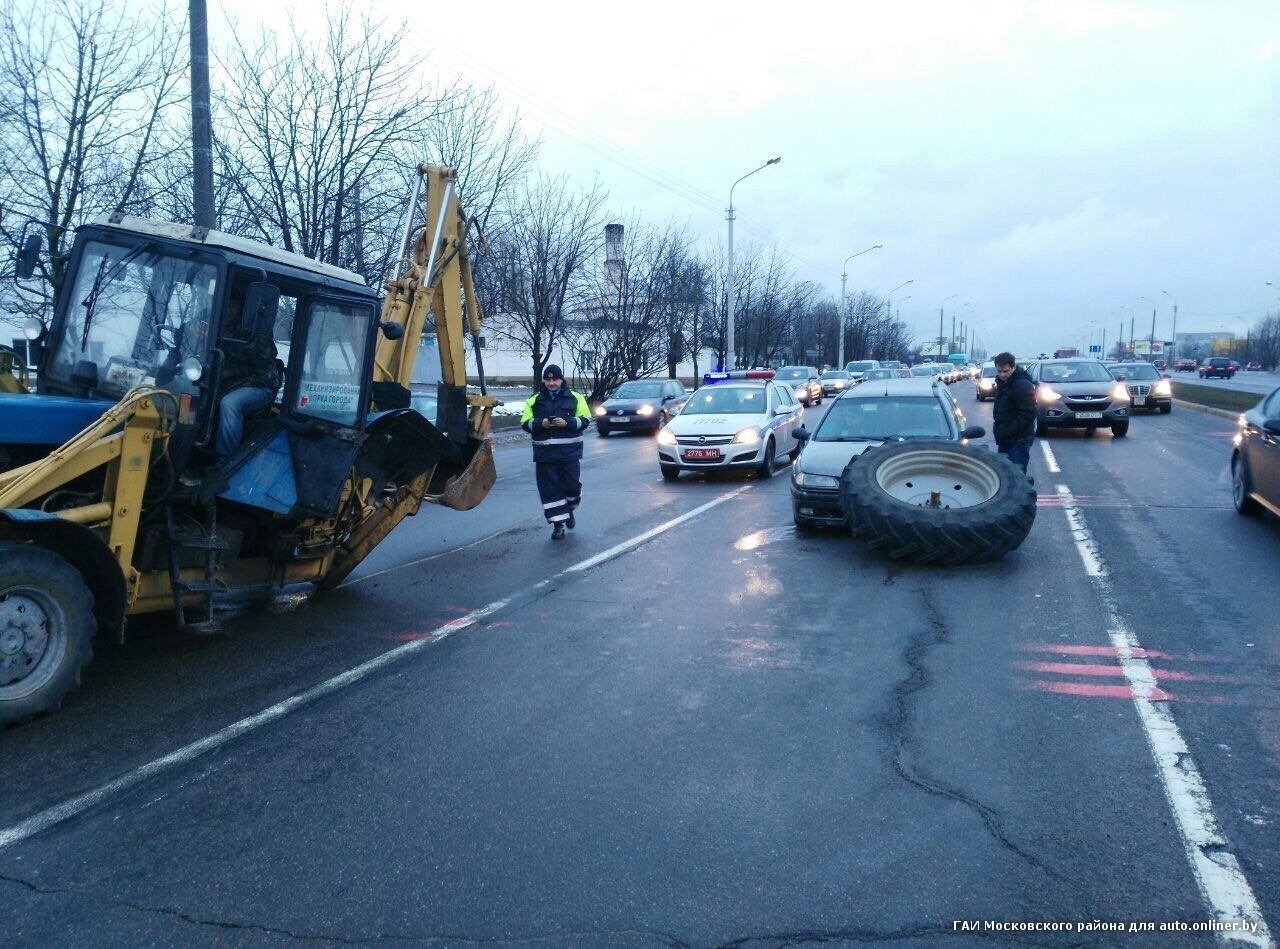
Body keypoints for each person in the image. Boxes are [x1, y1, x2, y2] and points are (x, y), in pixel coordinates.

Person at [520, 364, 592, 539]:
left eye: (555, 379)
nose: (551, 383)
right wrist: (539, 424)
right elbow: (525, 423)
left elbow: (586, 419)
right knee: (550, 490)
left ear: (561, 380)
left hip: (569, 453)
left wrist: (567, 423)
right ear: (544, 381)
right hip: (545, 455)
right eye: (548, 379)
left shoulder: (575, 397)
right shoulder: (534, 399)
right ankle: (558, 525)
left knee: (572, 486)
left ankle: (569, 509)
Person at [215, 297, 282, 460]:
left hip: (258, 385)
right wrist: (191, 330)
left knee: (230, 404)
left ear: (242, 307)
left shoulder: (256, 326)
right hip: (226, 383)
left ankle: (224, 462)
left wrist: (223, 343)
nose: (229, 310)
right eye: (226, 304)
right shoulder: (214, 317)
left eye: (233, 305)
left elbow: (264, 355)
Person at [991, 351, 1036, 475]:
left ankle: (1021, 496)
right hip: (1005, 439)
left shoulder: (1022, 385)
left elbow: (1029, 413)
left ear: (1013, 367)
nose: (1002, 375)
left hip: (1018, 440)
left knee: (1017, 477)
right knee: (1003, 475)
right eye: (999, 371)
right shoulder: (1003, 383)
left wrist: (1009, 430)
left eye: (1005, 371)